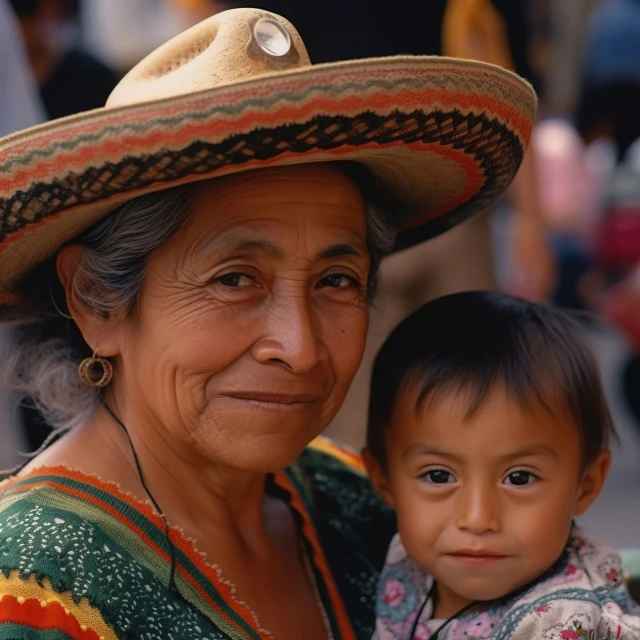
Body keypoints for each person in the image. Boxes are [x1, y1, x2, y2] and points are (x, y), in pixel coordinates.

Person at [0, 7, 536, 638]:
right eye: (234, 279)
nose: (301, 348)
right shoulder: (34, 593)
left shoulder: (356, 501)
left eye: (337, 281)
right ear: (97, 302)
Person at [364, 292, 640, 639]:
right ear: (384, 481)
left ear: (586, 483)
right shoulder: (409, 561)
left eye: (519, 478)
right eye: (438, 476)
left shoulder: (560, 623)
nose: (477, 519)